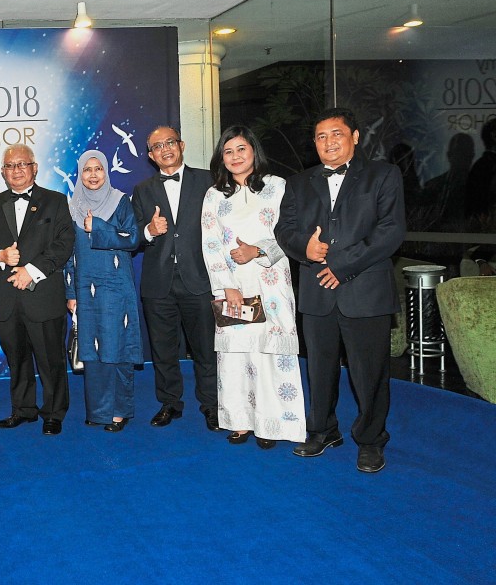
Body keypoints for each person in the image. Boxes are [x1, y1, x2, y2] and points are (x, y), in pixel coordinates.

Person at [275, 107, 405, 473]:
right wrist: (305, 248)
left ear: (355, 137)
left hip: (365, 291)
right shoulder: (298, 182)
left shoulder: (384, 175)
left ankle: (370, 440)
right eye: (321, 136)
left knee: (370, 373)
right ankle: (322, 430)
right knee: (319, 369)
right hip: (317, 293)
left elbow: (391, 231)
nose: (329, 142)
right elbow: (283, 231)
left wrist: (342, 266)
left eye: (336, 134)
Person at [200, 126, 305, 449]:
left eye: (241, 149)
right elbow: (210, 243)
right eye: (228, 151)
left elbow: (290, 232)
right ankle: (239, 421)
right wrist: (226, 285)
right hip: (233, 286)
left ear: (254, 151)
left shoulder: (277, 187)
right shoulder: (214, 195)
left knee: (269, 354)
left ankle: (271, 424)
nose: (235, 156)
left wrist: (257, 251)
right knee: (235, 356)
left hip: (270, 281)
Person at [0, 144, 74, 435]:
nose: (16, 170)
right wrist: (1, 257)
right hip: (7, 299)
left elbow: (64, 243)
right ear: (3, 172)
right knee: (16, 359)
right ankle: (23, 409)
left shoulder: (56, 201)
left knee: (50, 360)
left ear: (34, 168)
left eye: (22, 164)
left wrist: (31, 271)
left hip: (43, 296)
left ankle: (54, 413)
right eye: (10, 166)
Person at [131, 126, 220, 432]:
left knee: (206, 349)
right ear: (150, 155)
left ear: (182, 145)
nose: (165, 149)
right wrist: (149, 231)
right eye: (157, 146)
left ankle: (212, 405)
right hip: (158, 284)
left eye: (170, 142)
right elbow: (132, 237)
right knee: (163, 349)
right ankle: (170, 403)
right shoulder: (142, 190)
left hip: (200, 280)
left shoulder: (209, 181)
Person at [63, 150, 142, 432]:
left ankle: (119, 410)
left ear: (106, 172)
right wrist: (71, 292)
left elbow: (132, 238)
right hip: (86, 287)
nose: (93, 175)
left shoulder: (120, 202)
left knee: (116, 346)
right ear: (80, 174)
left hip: (115, 285)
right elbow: (69, 256)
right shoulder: (73, 207)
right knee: (92, 349)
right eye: (87, 170)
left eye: (98, 169)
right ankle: (98, 410)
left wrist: (97, 226)